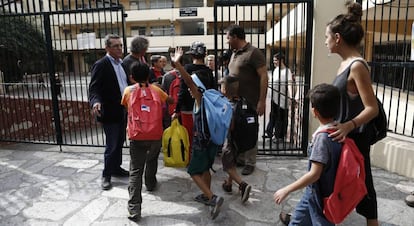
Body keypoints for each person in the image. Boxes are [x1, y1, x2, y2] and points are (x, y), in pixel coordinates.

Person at [326, 2, 379, 226]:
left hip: (355, 139)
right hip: (342, 137)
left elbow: (372, 107)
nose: (325, 41)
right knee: (329, 181)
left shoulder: (357, 65)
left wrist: (348, 125)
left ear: (337, 38)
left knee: (363, 184)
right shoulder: (345, 64)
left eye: (327, 36)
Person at [274, 83, 342, 226]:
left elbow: (314, 174)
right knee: (297, 221)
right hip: (319, 193)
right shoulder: (338, 130)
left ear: (314, 111)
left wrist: (287, 189)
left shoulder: (322, 139)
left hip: (319, 195)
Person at [171, 47, 224, 220]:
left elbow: (189, 82)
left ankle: (212, 197)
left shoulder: (200, 98)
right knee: (206, 167)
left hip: (201, 139)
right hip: (214, 139)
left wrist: (178, 63)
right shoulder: (215, 96)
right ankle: (206, 195)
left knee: (193, 171)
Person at [121, 61, 173, 222]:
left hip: (137, 136)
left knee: (136, 170)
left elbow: (126, 106)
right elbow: (169, 100)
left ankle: (134, 209)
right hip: (155, 134)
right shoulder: (157, 90)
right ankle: (150, 183)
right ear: (149, 75)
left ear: (131, 77)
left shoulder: (128, 91)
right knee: (152, 160)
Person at [88, 34, 130, 191]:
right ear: (107, 48)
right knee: (111, 145)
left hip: (122, 111)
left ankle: (116, 168)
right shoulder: (101, 64)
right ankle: (106, 175)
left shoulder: (122, 64)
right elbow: (94, 88)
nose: (120, 48)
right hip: (110, 112)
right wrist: (95, 102)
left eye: (120, 45)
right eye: (116, 46)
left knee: (119, 142)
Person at [226, 24, 268, 175]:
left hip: (250, 101)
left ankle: (250, 162)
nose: (227, 41)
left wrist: (262, 101)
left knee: (250, 130)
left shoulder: (254, 53)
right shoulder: (234, 53)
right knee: (238, 130)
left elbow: (264, 76)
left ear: (236, 37)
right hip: (235, 101)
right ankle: (241, 158)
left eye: (228, 37)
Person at [172, 41, 214, 161]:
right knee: (202, 134)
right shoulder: (208, 71)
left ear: (191, 55)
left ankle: (191, 160)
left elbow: (182, 91)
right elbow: (213, 91)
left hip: (187, 108)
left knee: (189, 136)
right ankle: (203, 159)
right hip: (204, 108)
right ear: (205, 55)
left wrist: (177, 110)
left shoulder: (187, 69)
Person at [220, 75, 252, 203]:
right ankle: (228, 184)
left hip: (229, 139)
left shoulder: (228, 105)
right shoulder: (240, 101)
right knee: (231, 162)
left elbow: (230, 126)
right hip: (239, 140)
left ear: (225, 90)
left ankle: (243, 185)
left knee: (227, 165)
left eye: (222, 86)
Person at [263, 52, 293, 143]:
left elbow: (289, 84)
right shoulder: (276, 70)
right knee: (273, 115)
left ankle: (279, 136)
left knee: (280, 118)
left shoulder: (287, 71)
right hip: (274, 97)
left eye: (275, 60)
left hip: (282, 98)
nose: (274, 62)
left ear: (281, 60)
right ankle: (269, 133)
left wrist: (291, 96)